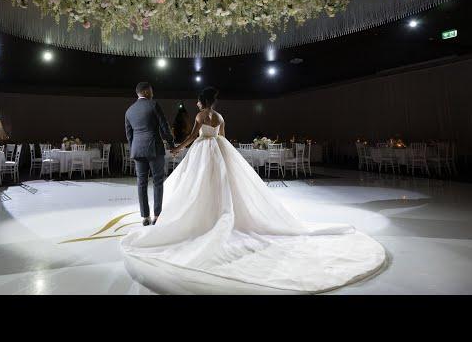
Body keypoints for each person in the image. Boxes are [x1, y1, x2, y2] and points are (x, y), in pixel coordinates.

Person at [121, 87, 386, 294]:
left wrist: (180, 147)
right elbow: (222, 136)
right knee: (222, 184)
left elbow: (193, 136)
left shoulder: (201, 116)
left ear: (202, 102)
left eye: (198, 101)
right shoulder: (220, 116)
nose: (198, 104)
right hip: (218, 150)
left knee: (197, 184)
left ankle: (189, 216)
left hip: (203, 151)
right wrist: (214, 145)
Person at [125, 82, 176, 227]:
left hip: (137, 150)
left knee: (141, 183)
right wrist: (172, 145)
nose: (152, 93)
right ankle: (157, 215)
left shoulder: (129, 111)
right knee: (158, 181)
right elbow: (164, 126)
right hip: (154, 148)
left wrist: (134, 149)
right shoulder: (153, 105)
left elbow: (129, 135)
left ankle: (145, 217)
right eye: (151, 91)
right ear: (146, 92)